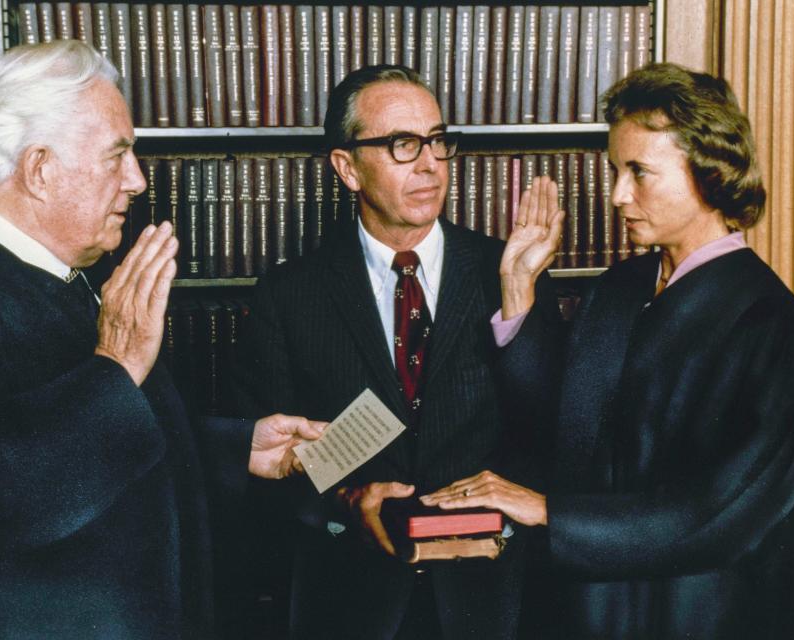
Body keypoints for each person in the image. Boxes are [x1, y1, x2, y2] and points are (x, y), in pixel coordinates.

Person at [0, 40, 324, 640]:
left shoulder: (62, 279)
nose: (138, 181)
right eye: (117, 156)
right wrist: (114, 364)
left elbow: (92, 436)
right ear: (40, 170)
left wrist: (235, 449)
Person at [421, 62, 794, 639]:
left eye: (640, 172)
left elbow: (725, 512)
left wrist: (552, 512)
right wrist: (519, 286)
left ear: (709, 171)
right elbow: (563, 427)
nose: (619, 195)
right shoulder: (618, 290)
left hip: (693, 617)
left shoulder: (770, 321)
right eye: (615, 171)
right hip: (582, 609)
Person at [228, 64, 560, 639]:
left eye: (436, 140)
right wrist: (342, 506)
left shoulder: (509, 273)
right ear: (347, 168)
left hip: (493, 601)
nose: (430, 163)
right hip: (350, 601)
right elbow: (265, 471)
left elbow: (552, 433)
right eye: (402, 145)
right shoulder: (288, 295)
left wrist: (517, 301)